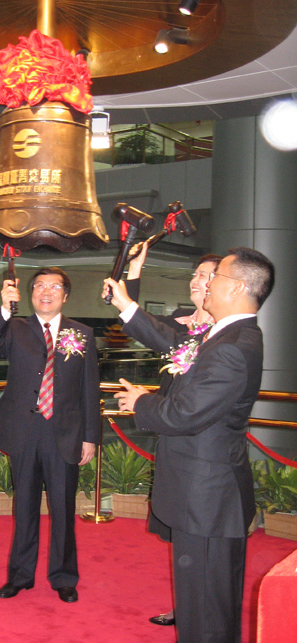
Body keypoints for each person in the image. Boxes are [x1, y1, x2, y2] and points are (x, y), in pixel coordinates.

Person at [103, 247, 275, 643]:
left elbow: (184, 414)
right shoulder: (224, 335)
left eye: (215, 277)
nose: (206, 283)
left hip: (208, 499)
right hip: (203, 495)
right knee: (204, 604)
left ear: (237, 288)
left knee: (206, 612)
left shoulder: (232, 346)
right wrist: (127, 300)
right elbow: (172, 344)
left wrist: (141, 402)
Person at [0, 267, 99, 603]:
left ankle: (64, 576)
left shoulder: (82, 333)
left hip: (65, 433)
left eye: (54, 287)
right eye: (40, 286)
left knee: (63, 508)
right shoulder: (15, 327)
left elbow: (90, 388)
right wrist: (5, 308)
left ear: (65, 295)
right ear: (31, 293)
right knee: (24, 507)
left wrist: (90, 436)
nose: (46, 292)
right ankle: (20, 575)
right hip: (25, 430)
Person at [126, 245, 222, 628]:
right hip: (171, 432)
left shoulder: (222, 335)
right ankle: (187, 606)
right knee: (181, 531)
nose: (196, 281)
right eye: (195, 274)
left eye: (205, 275)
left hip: (201, 443)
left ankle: (200, 613)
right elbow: (133, 317)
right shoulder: (179, 324)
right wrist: (135, 269)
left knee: (199, 530)